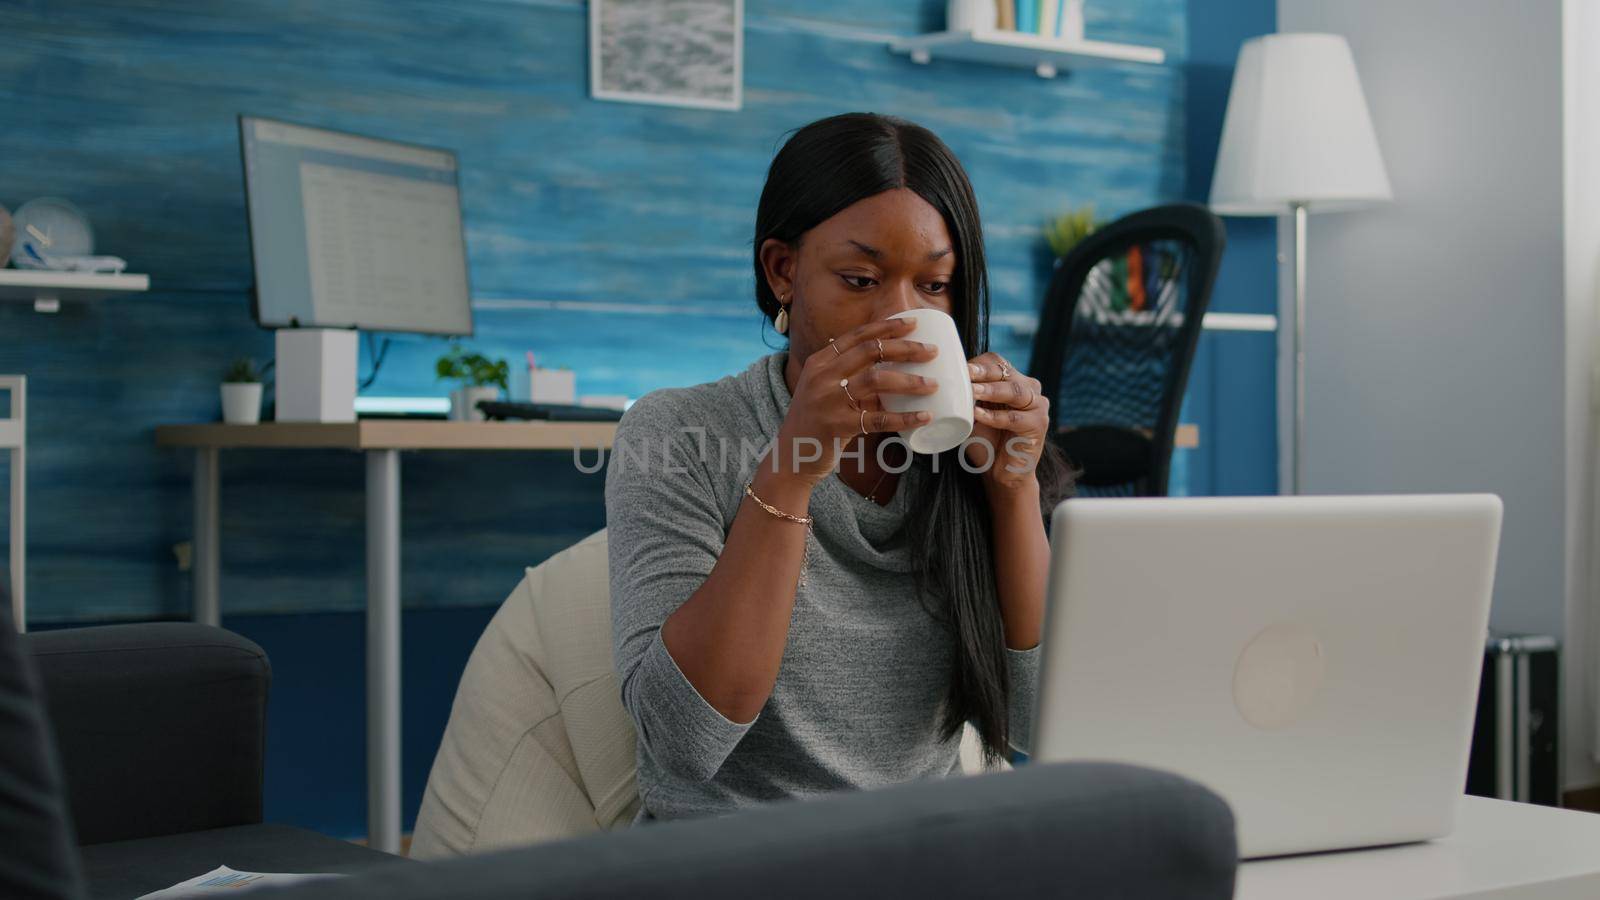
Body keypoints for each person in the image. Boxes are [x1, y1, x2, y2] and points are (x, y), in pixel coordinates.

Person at [605, 112, 1075, 824]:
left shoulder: (966, 461)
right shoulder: (677, 433)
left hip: (920, 858)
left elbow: (1045, 725)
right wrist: (791, 470)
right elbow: (685, 743)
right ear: (783, 271)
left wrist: (1012, 491)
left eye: (936, 285)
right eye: (860, 279)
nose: (899, 317)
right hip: (725, 865)